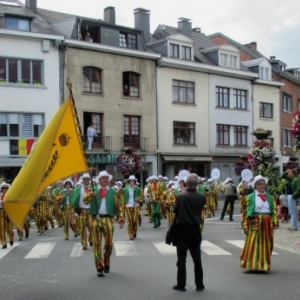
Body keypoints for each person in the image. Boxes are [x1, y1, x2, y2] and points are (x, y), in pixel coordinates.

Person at [86, 170, 124, 277]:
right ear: (99, 180)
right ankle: (99, 267)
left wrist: (121, 218)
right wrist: (90, 195)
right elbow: (85, 201)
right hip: (95, 219)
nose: (105, 180)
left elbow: (119, 207)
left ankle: (106, 261)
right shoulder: (93, 190)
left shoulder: (113, 192)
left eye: (107, 178)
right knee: (97, 244)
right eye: (103, 178)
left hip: (108, 219)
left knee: (108, 244)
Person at [173, 174, 206, 292]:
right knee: (197, 258)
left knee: (181, 259)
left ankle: (181, 284)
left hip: (183, 229)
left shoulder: (180, 197)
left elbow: (175, 210)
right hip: (196, 229)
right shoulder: (201, 197)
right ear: (196, 184)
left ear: (186, 184)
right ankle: (199, 284)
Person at [240, 175, 279, 271]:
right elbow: (245, 213)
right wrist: (245, 225)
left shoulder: (270, 198)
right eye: (260, 184)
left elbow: (274, 211)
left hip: (267, 223)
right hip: (255, 221)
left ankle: (264, 264)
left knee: (267, 243)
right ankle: (252, 264)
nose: (262, 186)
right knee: (253, 242)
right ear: (255, 186)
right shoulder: (250, 197)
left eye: (263, 184)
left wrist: (274, 223)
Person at [72, 173, 94, 250]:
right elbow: (74, 200)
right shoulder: (78, 189)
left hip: (91, 211)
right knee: (82, 228)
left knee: (92, 227)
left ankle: (91, 239)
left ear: (89, 180)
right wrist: (74, 211)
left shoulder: (93, 188)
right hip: (81, 210)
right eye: (84, 179)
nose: (86, 180)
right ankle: (84, 244)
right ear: (82, 180)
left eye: (87, 179)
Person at [122, 175, 143, 240]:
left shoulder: (138, 189)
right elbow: (121, 197)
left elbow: (142, 196)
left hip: (135, 206)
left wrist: (138, 199)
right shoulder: (125, 189)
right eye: (130, 181)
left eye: (133, 181)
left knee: (134, 220)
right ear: (129, 182)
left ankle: (134, 231)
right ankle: (130, 234)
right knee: (130, 220)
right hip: (128, 206)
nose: (131, 182)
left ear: (134, 181)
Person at [0, 182, 14, 249]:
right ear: (1, 189)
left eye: (6, 188)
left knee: (9, 229)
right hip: (1, 213)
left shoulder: (11, 197)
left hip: (8, 213)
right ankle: (4, 243)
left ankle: (11, 239)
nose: (5, 189)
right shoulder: (0, 197)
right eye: (3, 188)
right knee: (1, 229)